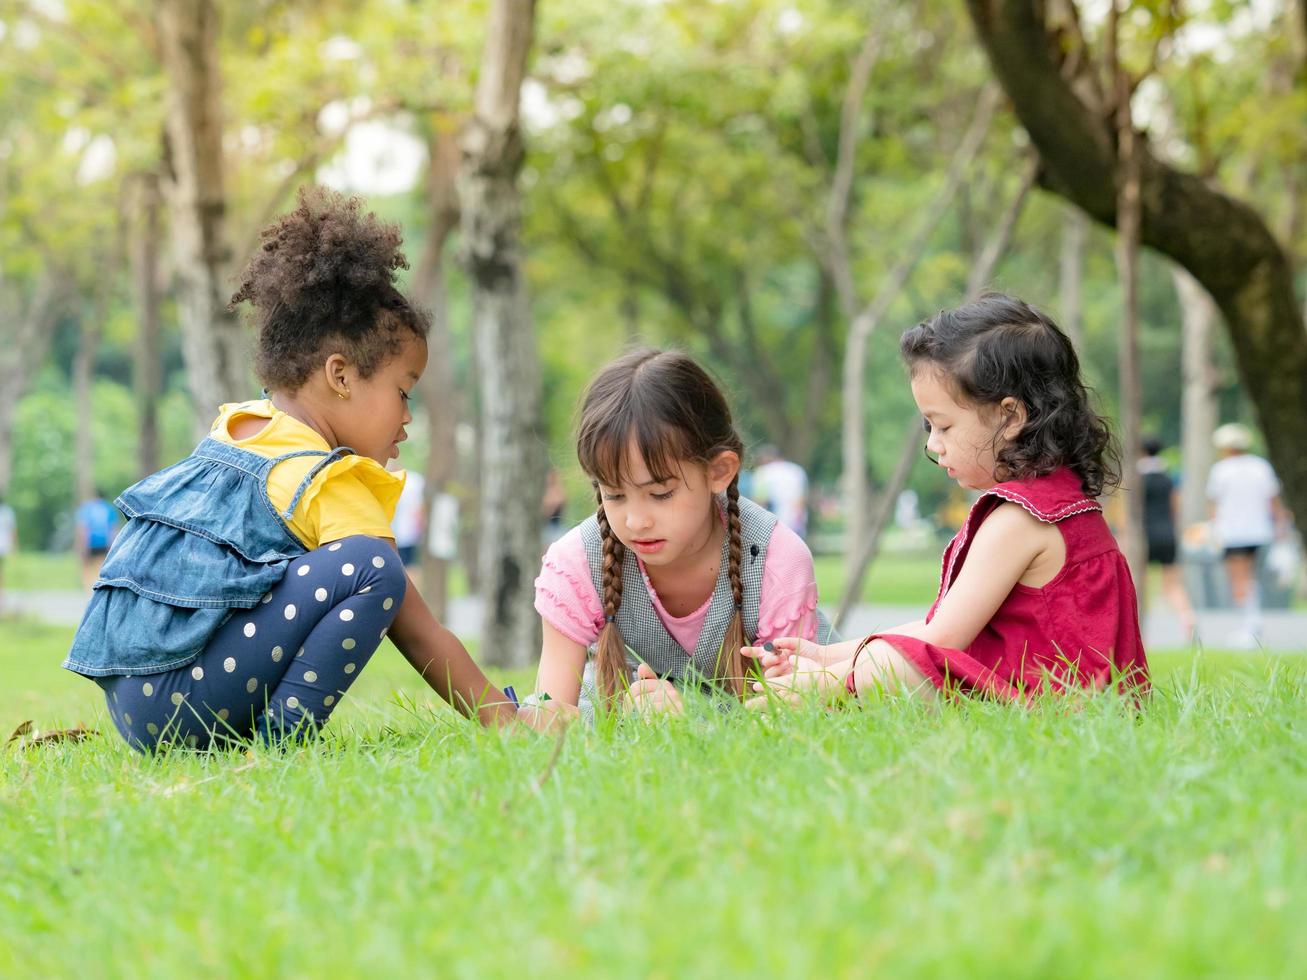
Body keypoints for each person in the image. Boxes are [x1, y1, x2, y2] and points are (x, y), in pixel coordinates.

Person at [63, 188, 515, 751]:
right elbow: (418, 630)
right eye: (403, 392)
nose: (407, 418)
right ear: (341, 376)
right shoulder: (324, 476)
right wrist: (507, 718)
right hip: (186, 703)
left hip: (132, 707)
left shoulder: (240, 426)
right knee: (376, 567)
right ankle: (286, 743)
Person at [747, 293, 1149, 705]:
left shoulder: (1022, 519)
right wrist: (831, 652)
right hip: (1064, 699)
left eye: (943, 426)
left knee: (900, 666)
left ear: (1009, 417)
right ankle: (824, 684)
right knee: (894, 657)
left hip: (1047, 704)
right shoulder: (1060, 500)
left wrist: (832, 676)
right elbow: (939, 625)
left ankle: (810, 695)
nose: (934, 446)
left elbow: (940, 640)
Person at [522, 349, 835, 727]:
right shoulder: (577, 561)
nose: (636, 521)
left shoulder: (774, 560)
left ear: (719, 471)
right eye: (614, 495)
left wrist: (691, 717)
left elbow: (793, 715)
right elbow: (550, 712)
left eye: (661, 494)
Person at [1207, 422, 1286, 649]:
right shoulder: (1260, 466)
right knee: (1252, 578)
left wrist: (1213, 530)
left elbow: (1214, 504)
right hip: (1260, 531)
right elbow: (1273, 500)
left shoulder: (1221, 469)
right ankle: (1252, 622)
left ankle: (1249, 627)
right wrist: (1279, 525)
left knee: (1239, 579)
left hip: (1233, 533)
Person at [1139, 435, 1195, 639]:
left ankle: (1139, 628)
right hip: (1167, 533)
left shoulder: (1136, 479)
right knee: (1172, 583)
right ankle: (1187, 618)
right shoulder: (1168, 477)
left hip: (1144, 536)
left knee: (1140, 582)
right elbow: (1175, 507)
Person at [752, 444, 809, 539]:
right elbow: (801, 499)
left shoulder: (762, 472)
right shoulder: (797, 470)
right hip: (796, 522)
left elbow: (760, 502)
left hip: (772, 525)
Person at [74, 490, 119, 591]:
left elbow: (82, 529)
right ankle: (99, 589)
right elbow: (113, 529)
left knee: (87, 569)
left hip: (90, 543)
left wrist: (81, 546)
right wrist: (113, 546)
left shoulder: (87, 508)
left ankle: (89, 591)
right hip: (105, 543)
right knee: (101, 567)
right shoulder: (109, 508)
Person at [0, 494, 15, 615]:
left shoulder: (7, 512)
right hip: (4, 546)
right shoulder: (7, 512)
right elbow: (12, 530)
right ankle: (2, 596)